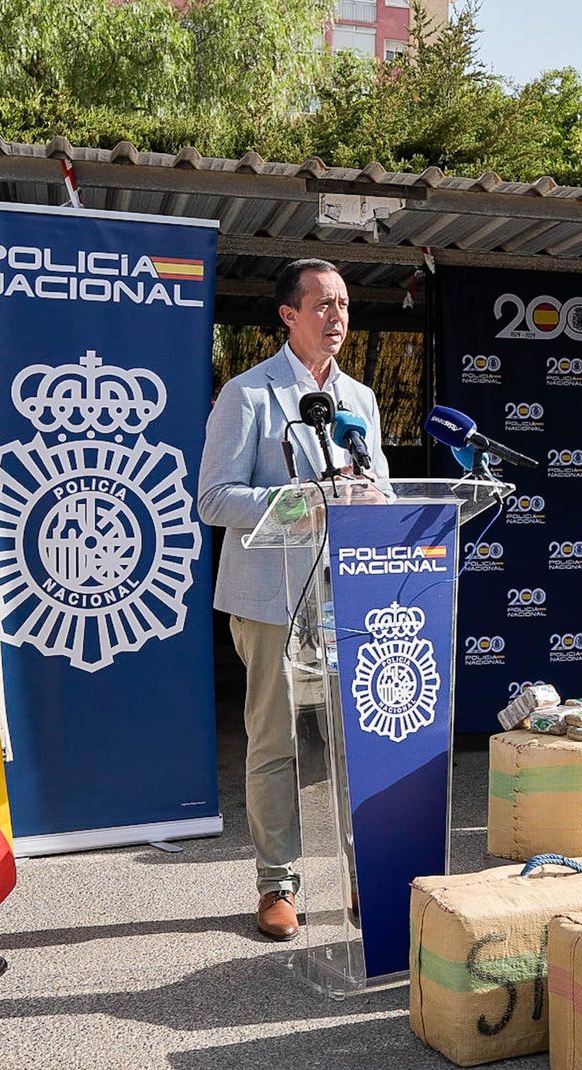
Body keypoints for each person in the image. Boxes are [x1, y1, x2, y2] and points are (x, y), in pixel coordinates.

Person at [197, 259, 388, 941]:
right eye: (323, 305)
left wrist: (369, 499)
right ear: (288, 314)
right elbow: (214, 499)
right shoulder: (247, 395)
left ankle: (362, 877)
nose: (338, 317)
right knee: (276, 743)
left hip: (350, 595)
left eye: (344, 305)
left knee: (353, 748)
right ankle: (277, 883)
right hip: (271, 599)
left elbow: (380, 490)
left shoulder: (360, 398)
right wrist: (304, 503)